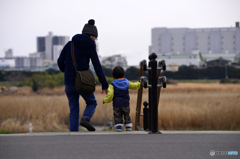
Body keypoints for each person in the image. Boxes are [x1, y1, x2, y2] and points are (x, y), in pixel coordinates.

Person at [58, 19, 108, 132]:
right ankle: (85, 118)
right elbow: (97, 66)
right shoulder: (90, 46)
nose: (95, 40)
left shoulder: (70, 44)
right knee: (92, 102)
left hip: (69, 83)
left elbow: (60, 61)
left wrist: (65, 71)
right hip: (83, 82)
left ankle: (73, 135)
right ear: (92, 36)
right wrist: (104, 84)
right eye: (95, 38)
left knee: (74, 109)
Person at [103, 66, 141, 132]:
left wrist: (105, 100)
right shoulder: (127, 82)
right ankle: (128, 126)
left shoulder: (112, 85)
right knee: (127, 114)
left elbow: (110, 95)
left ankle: (118, 127)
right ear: (124, 75)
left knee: (117, 115)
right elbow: (135, 86)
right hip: (125, 103)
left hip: (116, 104)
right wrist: (140, 83)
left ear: (113, 76)